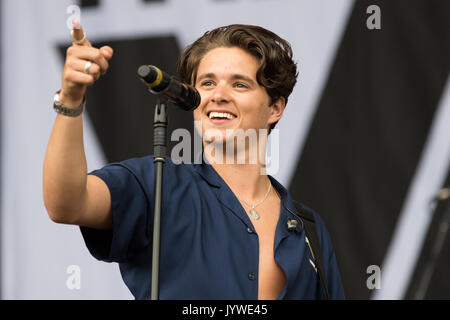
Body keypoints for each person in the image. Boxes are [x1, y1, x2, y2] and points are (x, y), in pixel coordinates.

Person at [43, 21, 345, 300]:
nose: (218, 95)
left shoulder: (310, 229)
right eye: (208, 83)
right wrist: (71, 98)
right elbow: (66, 203)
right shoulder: (156, 183)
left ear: (275, 108)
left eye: (239, 84)